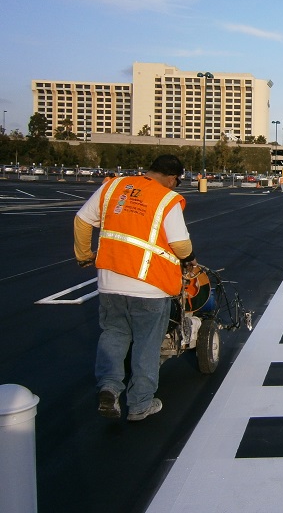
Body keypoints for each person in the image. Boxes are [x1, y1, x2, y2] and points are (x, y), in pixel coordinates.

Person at [74, 154, 198, 421]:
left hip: (110, 282)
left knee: (114, 334)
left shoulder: (113, 186)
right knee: (147, 344)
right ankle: (140, 404)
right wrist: (189, 258)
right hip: (150, 286)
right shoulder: (166, 199)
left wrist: (84, 255)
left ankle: (109, 388)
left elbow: (82, 220)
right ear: (172, 178)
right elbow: (180, 245)